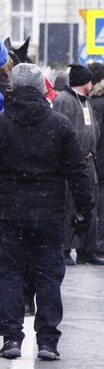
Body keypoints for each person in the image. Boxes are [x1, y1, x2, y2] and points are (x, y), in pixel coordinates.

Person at [0, 63, 95, 361]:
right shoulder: (60, 124)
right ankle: (48, 342)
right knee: (49, 277)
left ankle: (12, 339)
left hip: (10, 214)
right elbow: (78, 172)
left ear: (13, 87)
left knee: (11, 276)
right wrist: (84, 211)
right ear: (42, 88)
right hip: (50, 215)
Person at [51, 64, 103, 266]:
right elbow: (60, 133)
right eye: (90, 80)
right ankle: (64, 249)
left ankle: (86, 250)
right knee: (69, 206)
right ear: (84, 82)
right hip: (72, 164)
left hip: (88, 162)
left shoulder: (86, 102)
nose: (93, 84)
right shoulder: (64, 101)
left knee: (90, 204)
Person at [87, 62, 104, 258]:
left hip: (96, 159)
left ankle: (95, 243)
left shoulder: (93, 103)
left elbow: (94, 134)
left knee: (97, 203)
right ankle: (97, 243)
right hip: (99, 160)